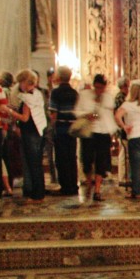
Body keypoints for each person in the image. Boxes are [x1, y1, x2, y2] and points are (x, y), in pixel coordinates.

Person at [5, 69, 48, 202]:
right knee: (36, 163)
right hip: (39, 131)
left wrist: (10, 112)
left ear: (24, 82)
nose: (19, 85)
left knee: (32, 164)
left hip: (30, 133)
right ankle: (38, 193)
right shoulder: (37, 94)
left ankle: (36, 195)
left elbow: (24, 118)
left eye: (20, 82)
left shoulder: (27, 97)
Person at [78, 74, 116, 202]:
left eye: (101, 88)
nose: (99, 90)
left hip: (103, 132)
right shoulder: (85, 96)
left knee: (101, 161)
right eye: (97, 87)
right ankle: (89, 183)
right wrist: (88, 114)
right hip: (88, 132)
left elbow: (108, 114)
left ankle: (97, 190)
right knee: (87, 159)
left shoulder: (108, 98)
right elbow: (77, 111)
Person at [48, 65, 79, 195]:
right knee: (72, 157)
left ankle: (65, 186)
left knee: (61, 158)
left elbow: (53, 113)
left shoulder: (55, 92)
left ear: (59, 77)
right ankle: (73, 185)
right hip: (73, 128)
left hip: (61, 128)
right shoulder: (75, 93)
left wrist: (51, 126)